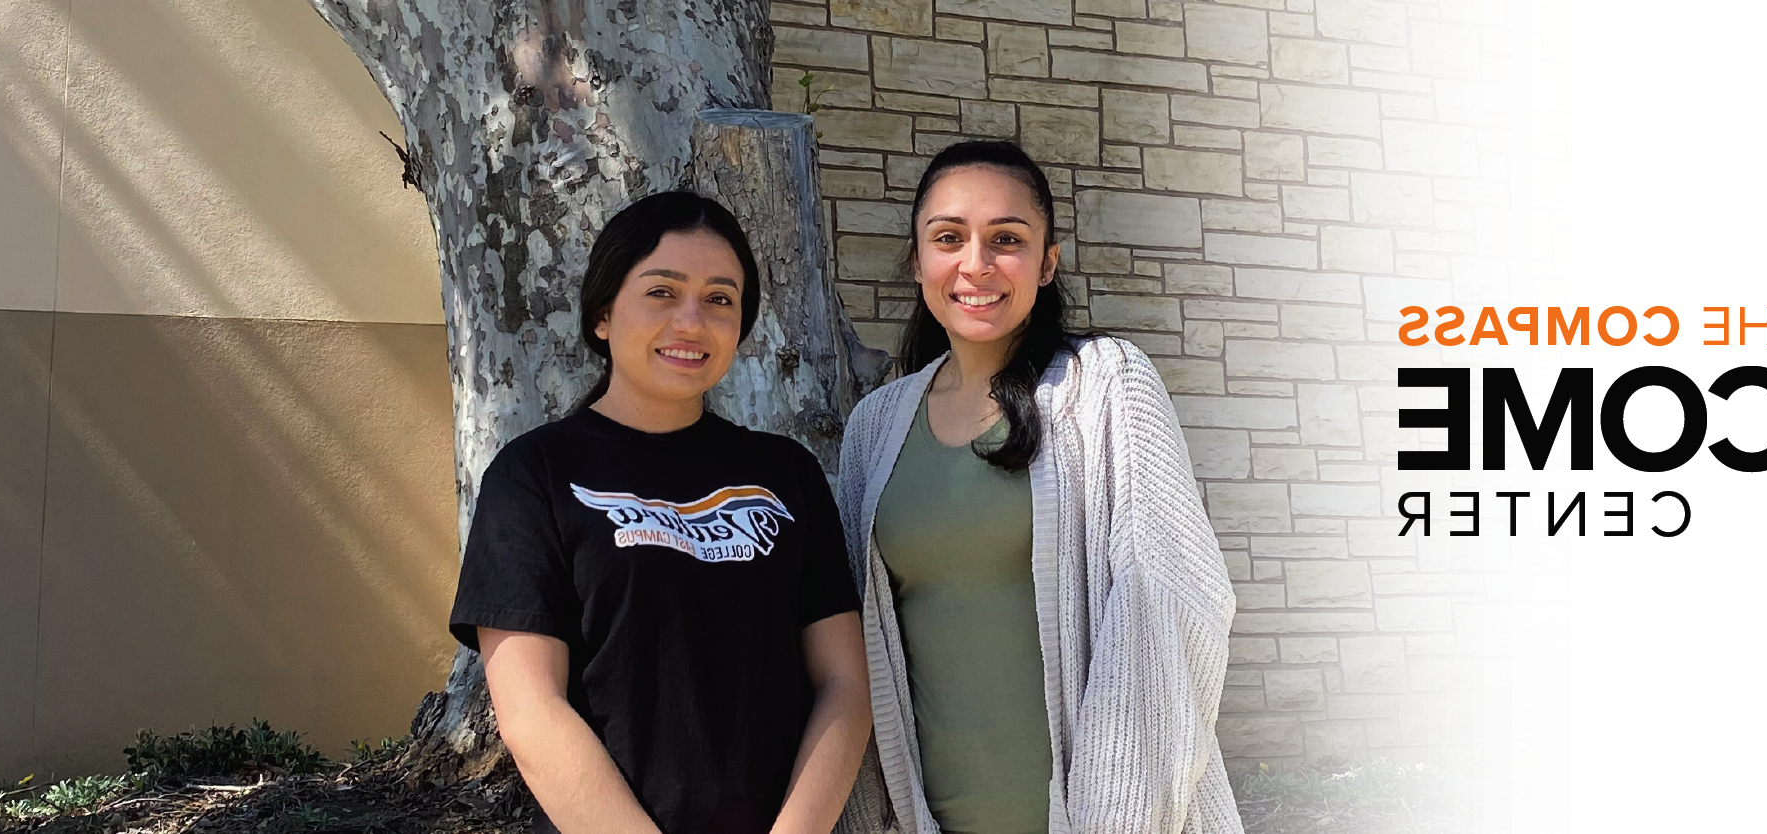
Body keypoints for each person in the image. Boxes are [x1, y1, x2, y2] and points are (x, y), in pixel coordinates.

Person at [834, 140, 1241, 834]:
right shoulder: (874, 427)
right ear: (917, 259)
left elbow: (1166, 602)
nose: (976, 263)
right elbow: (861, 647)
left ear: (1047, 262)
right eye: (949, 238)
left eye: (1007, 239)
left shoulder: (1108, 384)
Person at [448, 191, 871, 834]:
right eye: (662, 292)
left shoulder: (786, 475)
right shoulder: (534, 475)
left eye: (720, 299)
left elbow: (845, 685)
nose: (692, 322)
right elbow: (532, 709)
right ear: (602, 315)